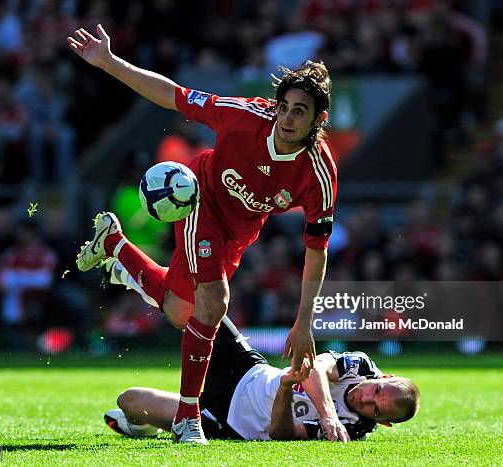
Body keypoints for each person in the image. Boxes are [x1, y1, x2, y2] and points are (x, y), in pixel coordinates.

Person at [68, 24, 337, 444]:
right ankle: (187, 418)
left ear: (318, 119)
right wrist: (108, 62)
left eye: (299, 111)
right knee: (214, 302)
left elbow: (316, 251)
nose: (286, 117)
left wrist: (304, 323)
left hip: (239, 232)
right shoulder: (243, 115)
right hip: (198, 197)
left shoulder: (319, 175)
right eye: (283, 106)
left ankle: (115, 246)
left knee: (182, 312)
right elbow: (173, 95)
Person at [103, 315, 420, 442]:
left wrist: (285, 390)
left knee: (128, 400)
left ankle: (145, 424)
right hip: (247, 369)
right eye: (376, 389)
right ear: (384, 376)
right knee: (203, 303)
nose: (364, 398)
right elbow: (316, 369)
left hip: (228, 423)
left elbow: (280, 434)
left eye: (376, 409)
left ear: (384, 423)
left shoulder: (355, 427)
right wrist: (327, 415)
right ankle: (125, 262)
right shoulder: (362, 366)